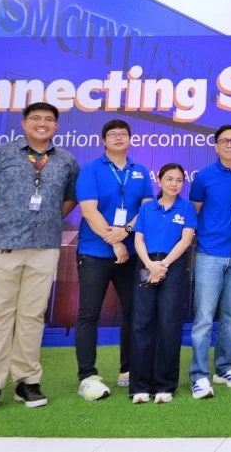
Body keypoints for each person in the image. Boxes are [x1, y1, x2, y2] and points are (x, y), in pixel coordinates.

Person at [0, 102, 79, 419]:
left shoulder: (66, 161)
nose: (43, 124)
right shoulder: (1, 153)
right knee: (0, 315)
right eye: (36, 119)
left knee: (31, 316)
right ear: (24, 123)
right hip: (3, 246)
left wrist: (49, 221)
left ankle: (27, 382)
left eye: (49, 120)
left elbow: (70, 198)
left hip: (44, 246)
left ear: (56, 126)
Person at [74, 119, 151, 401]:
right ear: (104, 141)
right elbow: (88, 211)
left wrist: (127, 232)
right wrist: (116, 241)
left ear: (130, 139)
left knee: (133, 312)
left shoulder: (140, 171)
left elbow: (145, 210)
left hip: (131, 254)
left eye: (123, 134)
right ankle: (87, 376)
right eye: (112, 134)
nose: (118, 137)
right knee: (88, 314)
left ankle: (128, 371)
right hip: (95, 252)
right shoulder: (91, 169)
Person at [188, 124, 231, 398]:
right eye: (223, 141)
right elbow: (195, 211)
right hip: (209, 254)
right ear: (215, 146)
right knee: (203, 318)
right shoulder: (203, 177)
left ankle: (223, 367)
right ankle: (199, 375)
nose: (229, 145)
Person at [130, 163, 196, 404]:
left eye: (179, 180)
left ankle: (165, 386)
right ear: (159, 181)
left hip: (173, 265)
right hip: (147, 264)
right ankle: (139, 386)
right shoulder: (147, 208)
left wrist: (163, 265)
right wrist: (150, 265)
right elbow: (139, 240)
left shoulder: (187, 207)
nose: (174, 184)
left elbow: (185, 240)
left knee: (169, 325)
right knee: (142, 323)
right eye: (169, 179)